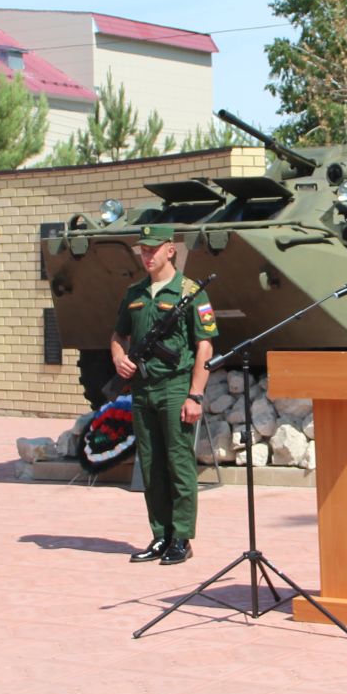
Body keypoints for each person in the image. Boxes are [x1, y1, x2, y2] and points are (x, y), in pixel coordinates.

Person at [112, 224, 216, 565]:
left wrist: (195, 395)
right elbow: (117, 336)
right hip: (142, 389)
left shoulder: (190, 292)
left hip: (175, 387)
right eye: (143, 249)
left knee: (179, 463)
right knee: (151, 464)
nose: (147, 255)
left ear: (170, 250)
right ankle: (161, 535)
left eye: (153, 249)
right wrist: (119, 358)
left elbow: (205, 346)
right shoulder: (134, 292)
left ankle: (181, 537)